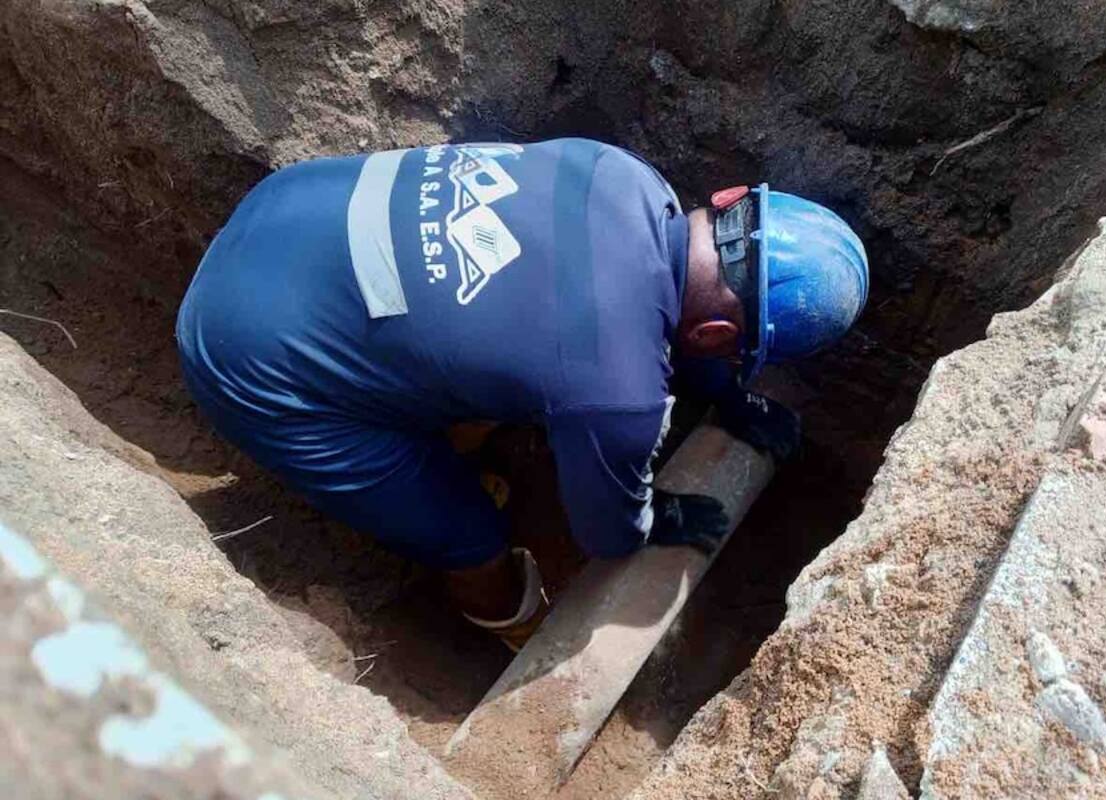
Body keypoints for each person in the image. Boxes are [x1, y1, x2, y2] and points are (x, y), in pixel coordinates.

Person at [176, 138, 868, 648]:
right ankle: (510, 622)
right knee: (472, 529)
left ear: (727, 200)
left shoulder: (621, 174)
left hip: (291, 209)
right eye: (739, 351)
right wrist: (656, 516)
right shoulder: (615, 395)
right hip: (251, 360)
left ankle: (428, 431)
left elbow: (673, 310)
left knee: (494, 353)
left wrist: (731, 401)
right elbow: (604, 534)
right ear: (719, 335)